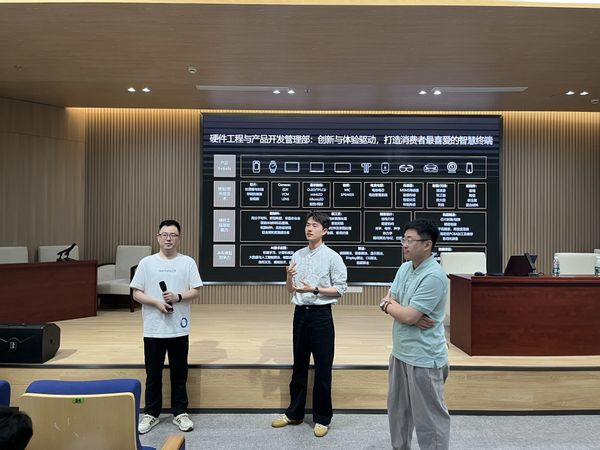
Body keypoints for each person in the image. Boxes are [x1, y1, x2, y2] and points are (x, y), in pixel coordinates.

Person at [271, 211, 348, 438]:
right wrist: (288, 276)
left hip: (321, 315)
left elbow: (340, 289)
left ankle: (322, 418)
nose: (309, 228)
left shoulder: (333, 257)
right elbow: (291, 289)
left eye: (314, 225)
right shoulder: (298, 254)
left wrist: (314, 289)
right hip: (300, 314)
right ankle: (294, 413)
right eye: (307, 224)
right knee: (299, 365)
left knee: (323, 368)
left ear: (325, 231)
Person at [379, 219, 450, 450]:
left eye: (410, 240)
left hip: (424, 358)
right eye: (404, 239)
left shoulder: (434, 276)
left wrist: (395, 308)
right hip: (400, 352)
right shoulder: (404, 268)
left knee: (430, 421)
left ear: (427, 244)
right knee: (398, 414)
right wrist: (393, 306)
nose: (405, 244)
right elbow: (391, 300)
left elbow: (407, 315)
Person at [130, 219, 203, 434]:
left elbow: (196, 290)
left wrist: (177, 297)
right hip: (153, 328)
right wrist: (156, 302)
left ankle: (180, 412)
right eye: (164, 234)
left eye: (173, 235)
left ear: (179, 238)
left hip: (179, 327)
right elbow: (136, 293)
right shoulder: (146, 263)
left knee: (179, 374)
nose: (168, 238)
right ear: (158, 237)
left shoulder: (187, 262)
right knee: (153, 374)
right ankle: (151, 414)